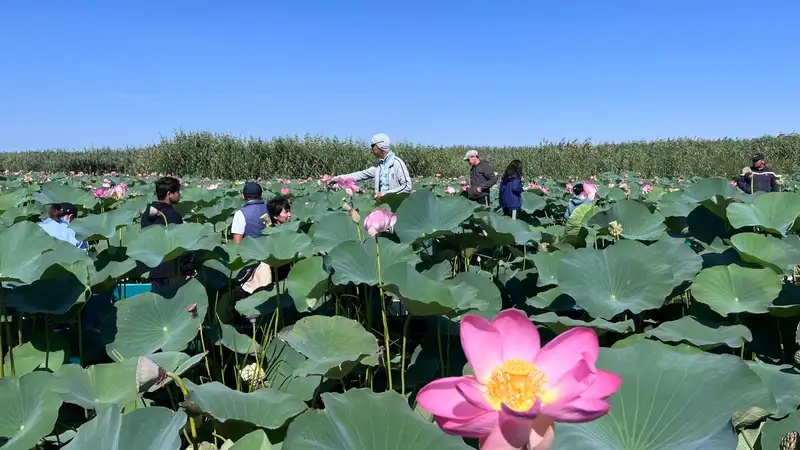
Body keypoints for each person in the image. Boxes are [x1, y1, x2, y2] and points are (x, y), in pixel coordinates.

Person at [140, 176, 193, 287]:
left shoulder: (146, 215)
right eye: (177, 191)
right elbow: (180, 247)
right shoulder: (173, 216)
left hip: (154, 271)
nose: (180, 194)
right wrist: (188, 270)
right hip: (171, 272)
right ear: (169, 194)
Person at [332, 133, 412, 199]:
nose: (371, 149)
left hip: (395, 204)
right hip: (381, 205)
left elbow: (407, 186)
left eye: (372, 145)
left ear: (380, 145)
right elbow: (360, 175)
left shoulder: (397, 163)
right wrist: (336, 178)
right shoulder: (379, 166)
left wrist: (385, 194)